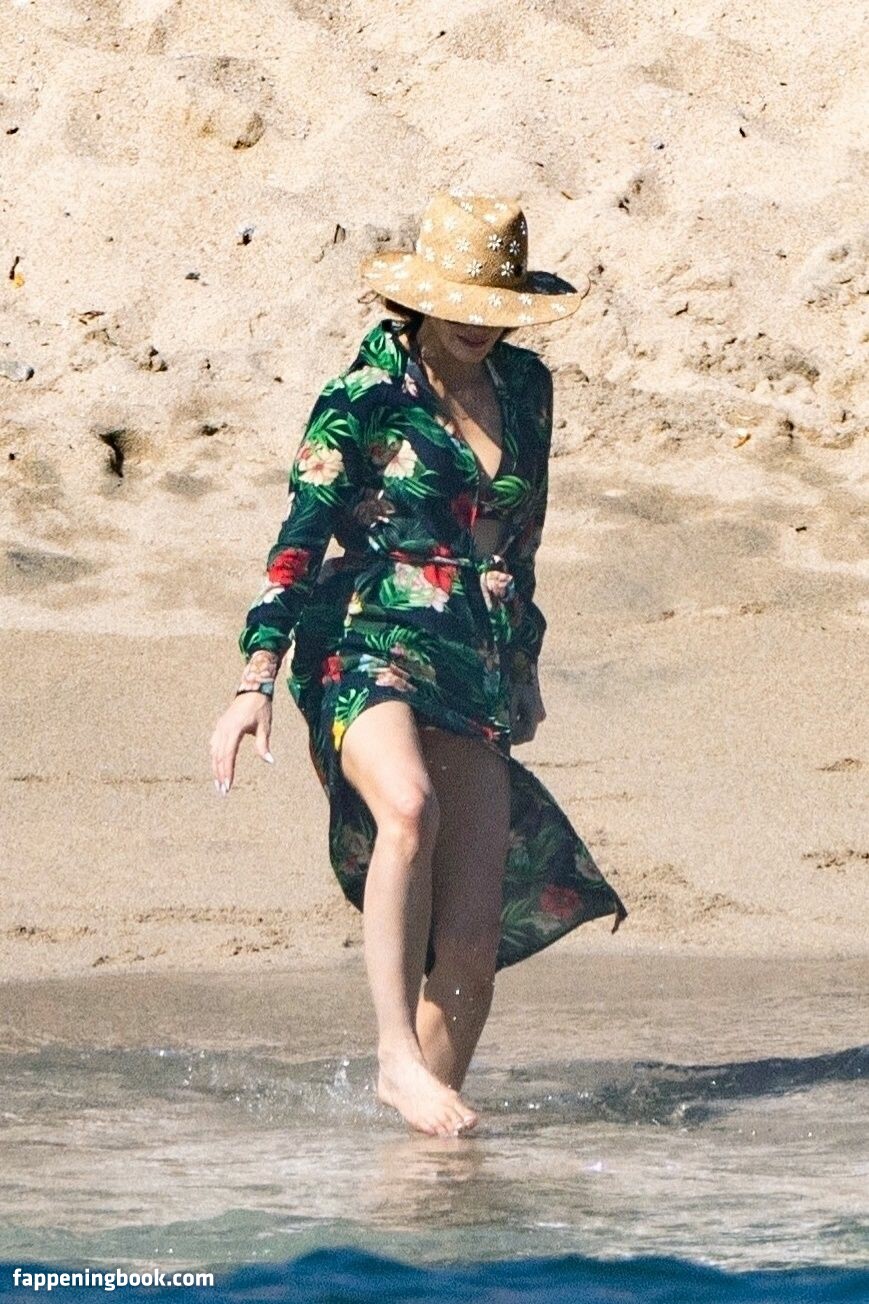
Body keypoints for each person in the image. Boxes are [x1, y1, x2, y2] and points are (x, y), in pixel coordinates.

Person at [210, 190, 627, 1139]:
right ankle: (395, 1056)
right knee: (408, 807)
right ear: (422, 298)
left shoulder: (526, 387)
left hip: (470, 649)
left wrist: (522, 660)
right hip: (363, 634)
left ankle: (423, 1159)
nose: (481, 323)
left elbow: (520, 537)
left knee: (470, 944)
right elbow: (299, 537)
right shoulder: (361, 396)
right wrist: (254, 678)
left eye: (497, 306)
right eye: (462, 304)